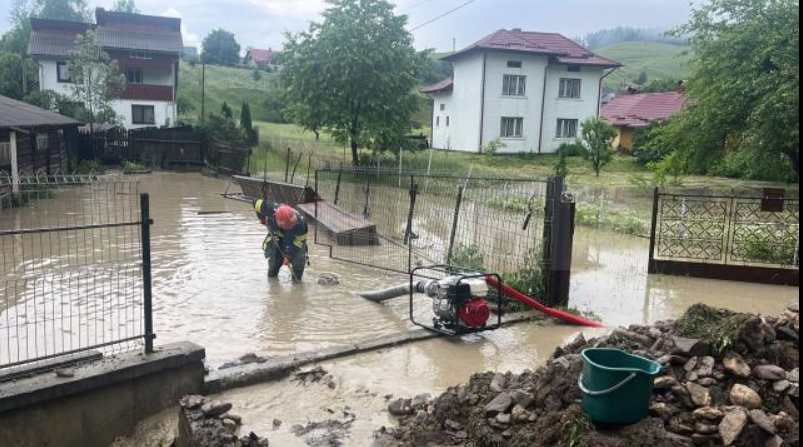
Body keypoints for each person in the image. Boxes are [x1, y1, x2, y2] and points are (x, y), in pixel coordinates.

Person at [253, 199, 309, 281]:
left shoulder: (301, 224)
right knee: (274, 262)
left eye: (291, 224)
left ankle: (297, 284)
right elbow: (256, 202)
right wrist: (261, 218)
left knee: (298, 263)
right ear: (277, 220)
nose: (290, 226)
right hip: (277, 236)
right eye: (287, 225)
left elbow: (299, 242)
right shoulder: (269, 209)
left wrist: (289, 256)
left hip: (294, 240)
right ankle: (272, 283)